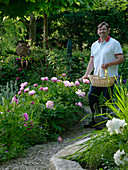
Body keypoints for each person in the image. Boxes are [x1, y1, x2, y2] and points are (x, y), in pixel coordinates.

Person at [82, 22, 124, 128]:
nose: (102, 31)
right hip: (97, 78)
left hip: (110, 78)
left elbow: (121, 58)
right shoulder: (94, 45)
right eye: (100, 29)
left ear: (108, 31)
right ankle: (95, 120)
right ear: (97, 31)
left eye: (104, 29)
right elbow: (92, 61)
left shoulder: (114, 43)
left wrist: (109, 64)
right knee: (91, 97)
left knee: (107, 100)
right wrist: (86, 74)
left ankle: (106, 123)